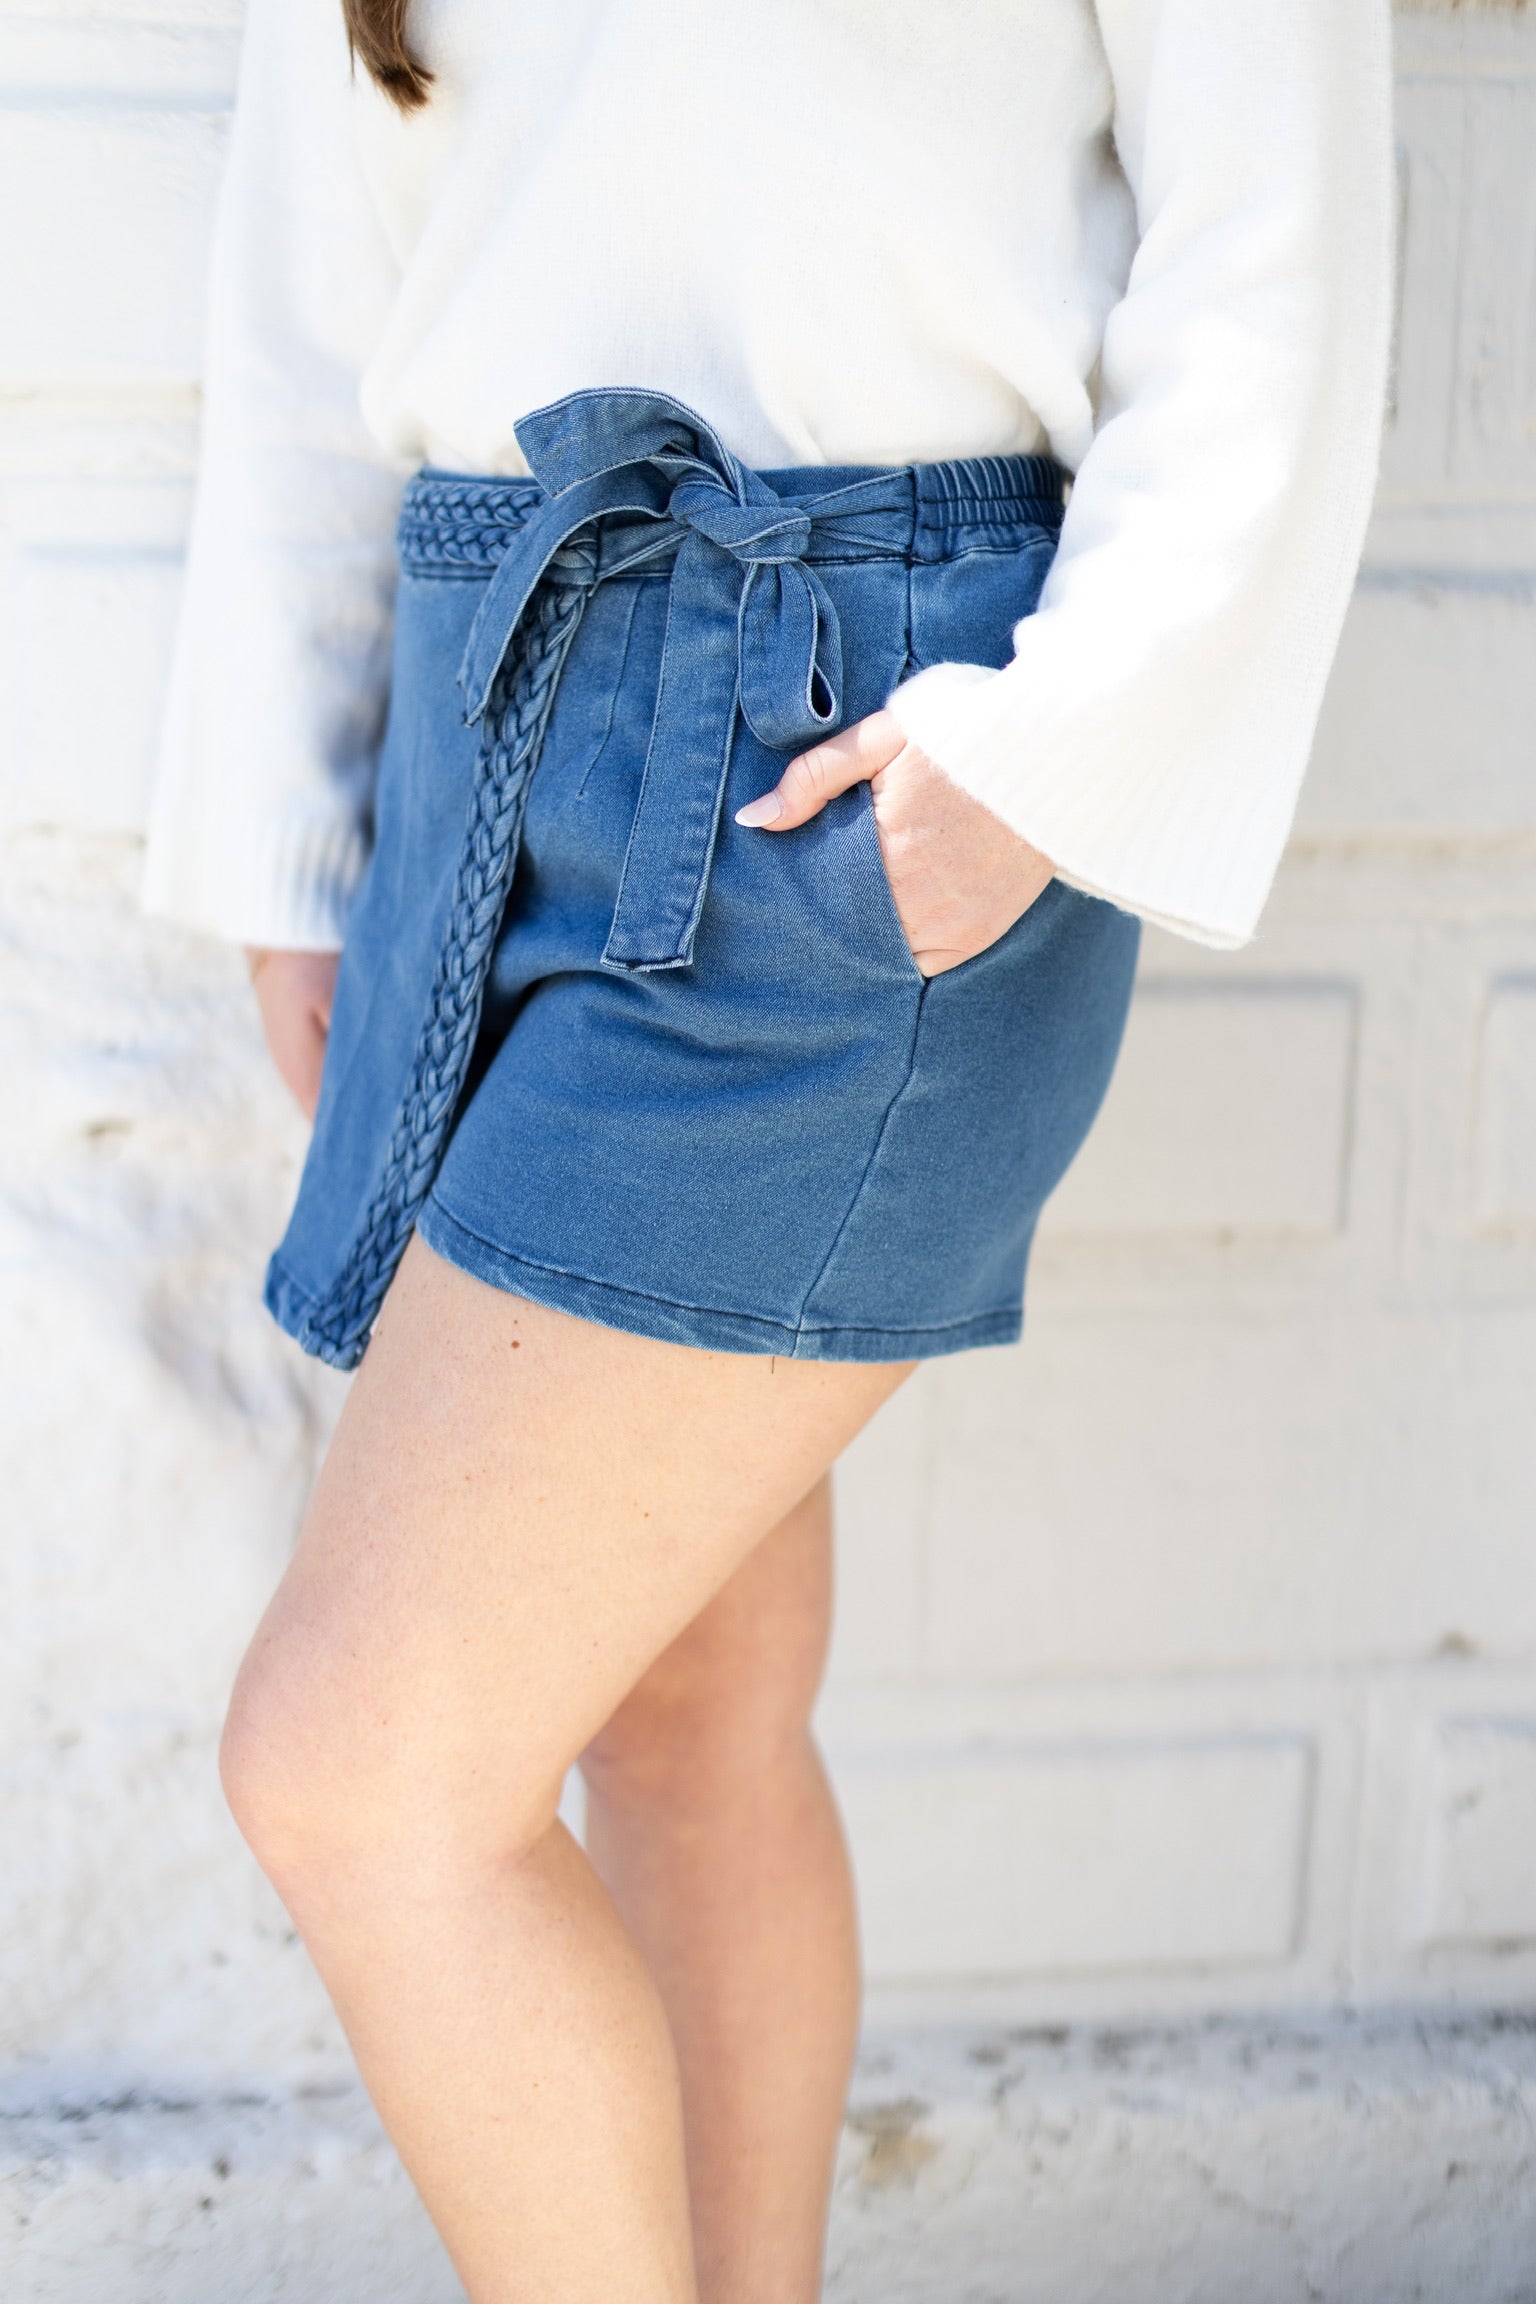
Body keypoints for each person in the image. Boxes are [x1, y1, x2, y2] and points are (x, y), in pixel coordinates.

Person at [144, 3, 1393, 2297]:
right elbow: (313, 261)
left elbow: (1274, 227)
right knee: (686, 1714)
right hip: (486, 712)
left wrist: (1052, 756)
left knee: (362, 1777)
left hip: (850, 726)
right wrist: (296, 836)